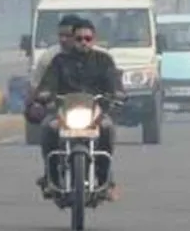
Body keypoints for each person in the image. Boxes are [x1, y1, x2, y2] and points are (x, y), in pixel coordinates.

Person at [33, 19, 125, 201]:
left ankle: (104, 179)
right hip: (64, 113)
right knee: (47, 128)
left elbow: (114, 82)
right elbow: (47, 84)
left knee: (107, 129)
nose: (83, 42)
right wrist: (44, 94)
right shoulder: (59, 61)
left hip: (96, 114)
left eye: (87, 38)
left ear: (94, 39)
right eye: (79, 38)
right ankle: (51, 177)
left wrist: (117, 93)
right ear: (72, 40)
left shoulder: (104, 61)